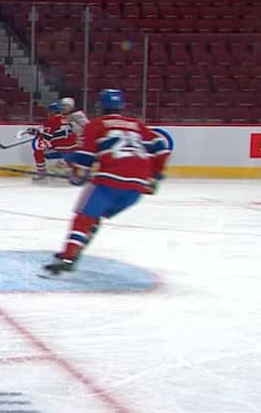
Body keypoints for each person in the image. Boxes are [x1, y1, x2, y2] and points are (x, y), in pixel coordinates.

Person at [42, 89, 171, 276]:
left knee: (84, 217)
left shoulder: (96, 124)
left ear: (99, 107)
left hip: (110, 183)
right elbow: (161, 147)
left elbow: (85, 159)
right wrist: (156, 176)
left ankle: (68, 257)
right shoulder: (136, 124)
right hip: (136, 188)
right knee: (94, 217)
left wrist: (77, 175)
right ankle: (73, 253)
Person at [26, 101, 78, 181]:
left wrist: (37, 135)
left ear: (51, 112)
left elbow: (45, 140)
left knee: (38, 151)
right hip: (75, 150)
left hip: (62, 151)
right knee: (68, 151)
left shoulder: (51, 121)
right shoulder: (67, 119)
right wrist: (39, 133)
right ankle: (74, 173)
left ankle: (41, 172)